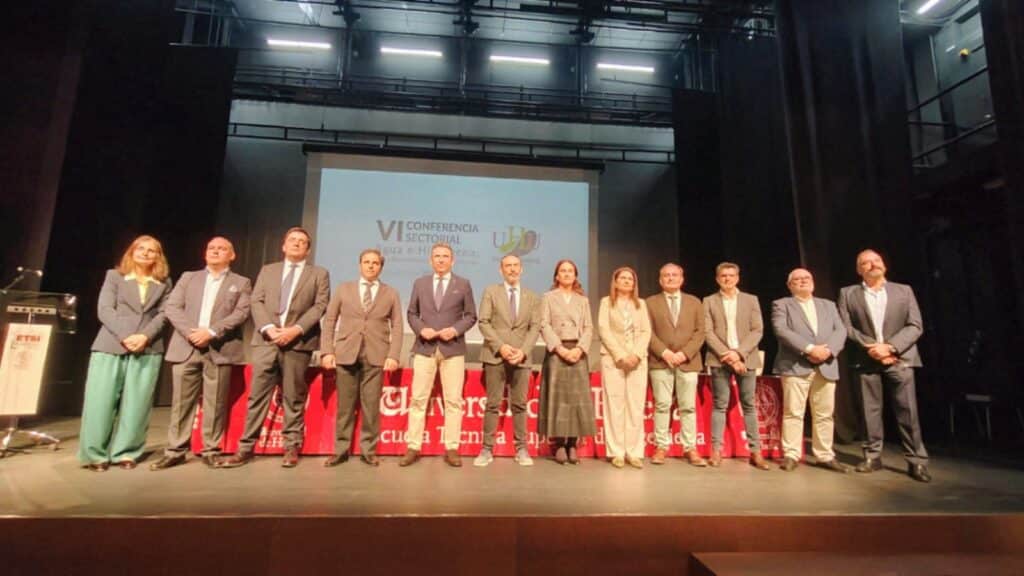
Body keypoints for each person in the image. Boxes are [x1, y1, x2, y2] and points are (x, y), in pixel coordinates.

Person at [220, 227, 330, 469]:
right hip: (266, 342)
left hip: (298, 343)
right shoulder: (268, 270)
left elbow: (320, 305)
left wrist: (295, 330)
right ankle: (246, 448)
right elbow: (256, 300)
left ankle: (291, 447)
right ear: (283, 245)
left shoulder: (319, 274)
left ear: (308, 249)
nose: (297, 244)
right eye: (292, 240)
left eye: (302, 242)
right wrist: (269, 328)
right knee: (257, 397)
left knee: (293, 397)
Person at [150, 236, 252, 470]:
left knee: (215, 403)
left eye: (221, 248)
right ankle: (175, 450)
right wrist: (191, 333)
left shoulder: (242, 282)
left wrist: (212, 332)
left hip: (219, 348)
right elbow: (172, 307)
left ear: (232, 255)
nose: (215, 251)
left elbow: (241, 312)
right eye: (211, 248)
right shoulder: (189, 278)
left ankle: (210, 450)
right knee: (181, 403)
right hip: (186, 347)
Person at [78, 235, 172, 471]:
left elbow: (164, 315)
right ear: (131, 252)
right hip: (111, 344)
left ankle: (127, 452)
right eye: (141, 248)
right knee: (100, 401)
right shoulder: (115, 276)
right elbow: (105, 309)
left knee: (137, 404)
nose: (146, 253)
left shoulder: (164, 282)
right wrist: (126, 336)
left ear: (158, 257)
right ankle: (95, 455)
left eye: (152, 250)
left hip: (147, 347)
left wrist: (144, 336)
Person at [838, 249, 930, 482]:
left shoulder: (903, 291)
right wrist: (873, 348)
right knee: (870, 412)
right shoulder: (848, 293)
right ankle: (872, 456)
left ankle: (916, 461)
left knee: (908, 412)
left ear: (884, 265)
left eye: (876, 261)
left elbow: (915, 325)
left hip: (900, 359)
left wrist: (890, 347)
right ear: (859, 269)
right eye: (865, 263)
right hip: (866, 359)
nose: (872, 265)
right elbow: (846, 327)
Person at [320, 248, 403, 468]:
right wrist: (327, 350)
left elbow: (397, 325)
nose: (370, 266)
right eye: (366, 262)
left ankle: (369, 450)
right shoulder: (343, 289)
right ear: (360, 265)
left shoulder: (391, 292)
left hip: (376, 355)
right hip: (346, 353)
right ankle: (340, 450)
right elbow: (329, 321)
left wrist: (394, 355)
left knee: (371, 406)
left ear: (381, 267)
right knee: (345, 407)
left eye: (375, 263)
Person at [401, 242, 477, 467]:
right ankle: (413, 447)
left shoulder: (463, 284)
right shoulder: (420, 283)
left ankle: (452, 448)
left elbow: (471, 315)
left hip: (452, 349)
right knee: (417, 400)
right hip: (425, 347)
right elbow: (412, 313)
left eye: (445, 256)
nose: (441, 260)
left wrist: (454, 330)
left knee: (453, 401)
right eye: (437, 256)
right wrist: (420, 328)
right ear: (430, 260)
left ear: (452, 261)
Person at [770, 268, 849, 473]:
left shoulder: (828, 305)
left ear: (813, 282)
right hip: (796, 365)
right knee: (793, 412)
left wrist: (828, 350)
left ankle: (824, 455)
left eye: (806, 278)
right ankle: (791, 454)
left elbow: (840, 330)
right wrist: (810, 349)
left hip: (826, 365)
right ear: (790, 285)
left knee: (824, 414)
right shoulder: (782, 304)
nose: (803, 281)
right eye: (797, 279)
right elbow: (781, 330)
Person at [474, 253, 541, 467]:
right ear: (500, 270)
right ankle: (486, 449)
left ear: (521, 269)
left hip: (522, 357)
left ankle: (521, 449)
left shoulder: (532, 296)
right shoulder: (491, 292)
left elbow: (535, 327)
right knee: (493, 404)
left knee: (520, 405)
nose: (512, 269)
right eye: (507, 266)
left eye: (515, 266)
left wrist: (523, 350)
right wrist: (501, 346)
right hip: (495, 356)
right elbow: (483, 322)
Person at [703, 262, 769, 470]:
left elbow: (757, 330)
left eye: (731, 275)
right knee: (719, 404)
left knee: (748, 405)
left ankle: (755, 452)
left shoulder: (751, 300)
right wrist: (729, 356)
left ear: (738, 278)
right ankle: (716, 451)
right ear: (717, 279)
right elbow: (707, 332)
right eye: (723, 276)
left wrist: (739, 353)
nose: (727, 279)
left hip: (746, 358)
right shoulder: (709, 301)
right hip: (719, 358)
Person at [646, 263, 707, 466]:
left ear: (682, 279)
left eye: (674, 275)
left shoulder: (695, 302)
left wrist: (684, 353)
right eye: (666, 275)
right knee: (662, 406)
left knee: (688, 407)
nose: (670, 278)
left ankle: (690, 448)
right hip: (660, 361)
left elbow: (700, 332)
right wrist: (664, 352)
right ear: (660, 280)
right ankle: (661, 447)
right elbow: (648, 332)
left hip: (688, 362)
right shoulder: (650, 303)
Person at [539, 259, 596, 465]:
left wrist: (579, 349)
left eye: (570, 271)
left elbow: (589, 327)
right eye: (562, 271)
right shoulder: (548, 297)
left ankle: (573, 443)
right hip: (557, 351)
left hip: (578, 352)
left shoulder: (583, 300)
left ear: (575, 275)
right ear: (556, 276)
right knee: (558, 399)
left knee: (576, 400)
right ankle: (559, 444)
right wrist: (560, 349)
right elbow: (543, 324)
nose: (566, 274)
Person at [597, 267, 651, 468]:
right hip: (613, 360)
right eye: (623, 278)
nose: (627, 281)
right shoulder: (606, 302)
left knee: (635, 406)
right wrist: (620, 355)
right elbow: (604, 329)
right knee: (615, 405)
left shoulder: (641, 304)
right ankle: (616, 452)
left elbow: (646, 331)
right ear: (616, 282)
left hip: (637, 360)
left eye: (631, 279)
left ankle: (634, 451)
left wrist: (635, 354)